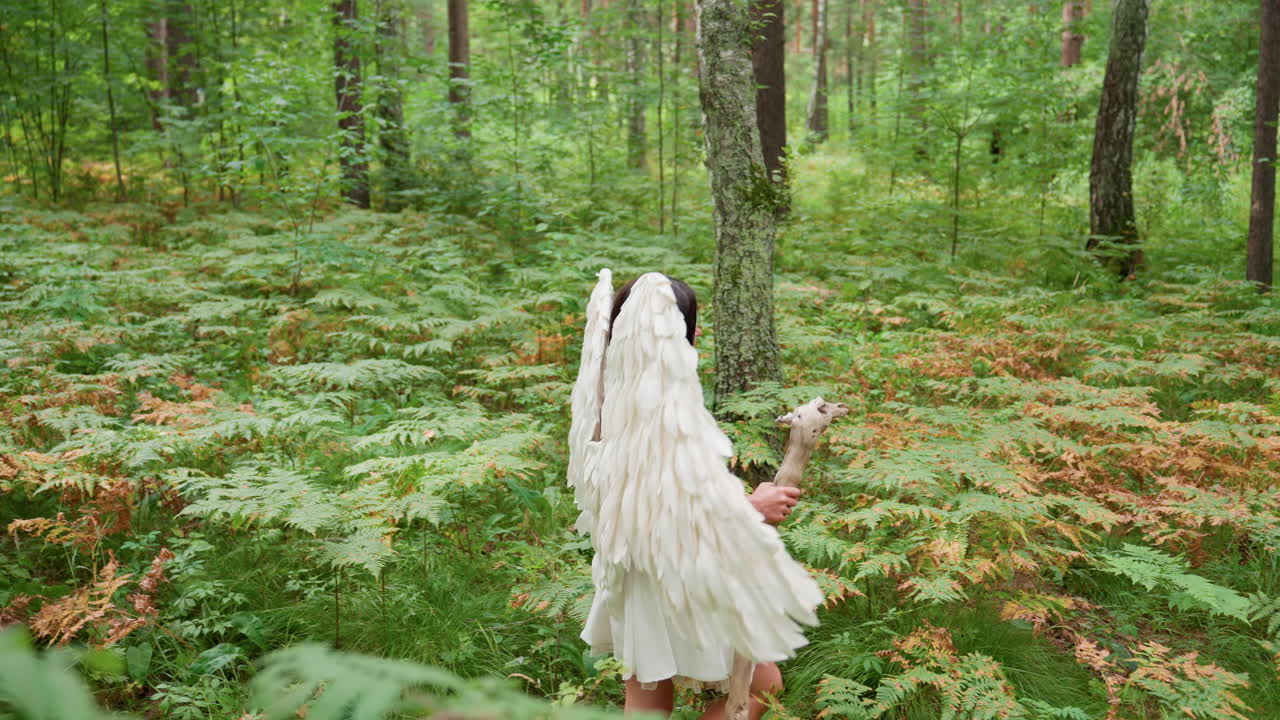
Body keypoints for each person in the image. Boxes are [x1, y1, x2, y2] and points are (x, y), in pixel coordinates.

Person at [567, 271, 821, 719]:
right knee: (761, 685)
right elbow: (659, 509)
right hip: (671, 569)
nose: (697, 332)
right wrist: (750, 508)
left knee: (649, 702)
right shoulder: (654, 404)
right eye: (687, 322)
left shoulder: (608, 394)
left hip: (636, 572)